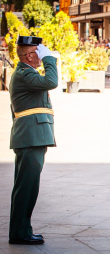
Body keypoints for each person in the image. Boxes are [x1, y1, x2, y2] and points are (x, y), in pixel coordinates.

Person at [8, 36, 58, 245]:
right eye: (39, 52)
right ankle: (19, 233)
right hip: (30, 137)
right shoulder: (24, 74)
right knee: (26, 187)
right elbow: (52, 82)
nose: (42, 55)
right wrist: (50, 60)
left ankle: (23, 229)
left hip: (33, 136)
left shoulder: (26, 73)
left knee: (28, 187)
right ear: (29, 56)